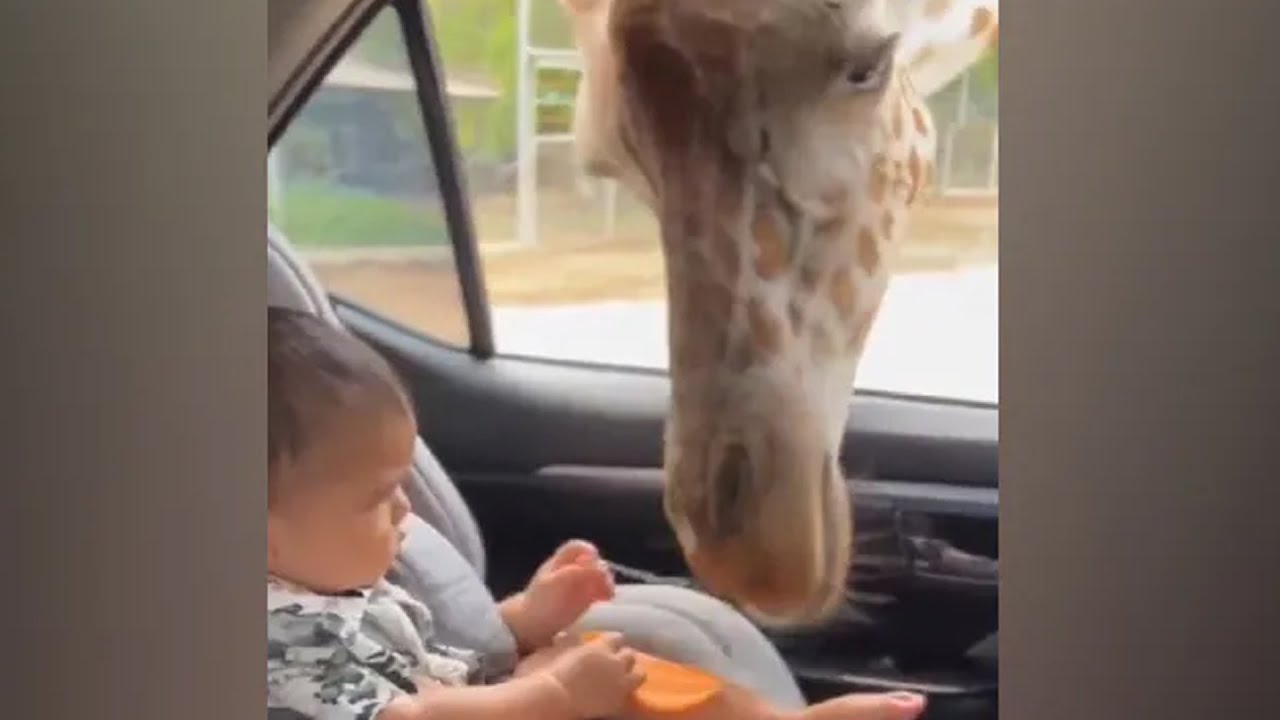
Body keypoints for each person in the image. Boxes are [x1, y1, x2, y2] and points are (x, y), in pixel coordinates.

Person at [266, 306, 927, 720]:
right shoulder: (272, 645)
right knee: (591, 679)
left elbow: (437, 655)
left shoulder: (329, 574)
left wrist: (526, 618)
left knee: (623, 667)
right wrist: (552, 699)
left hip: (491, 699)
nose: (406, 510)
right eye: (377, 498)